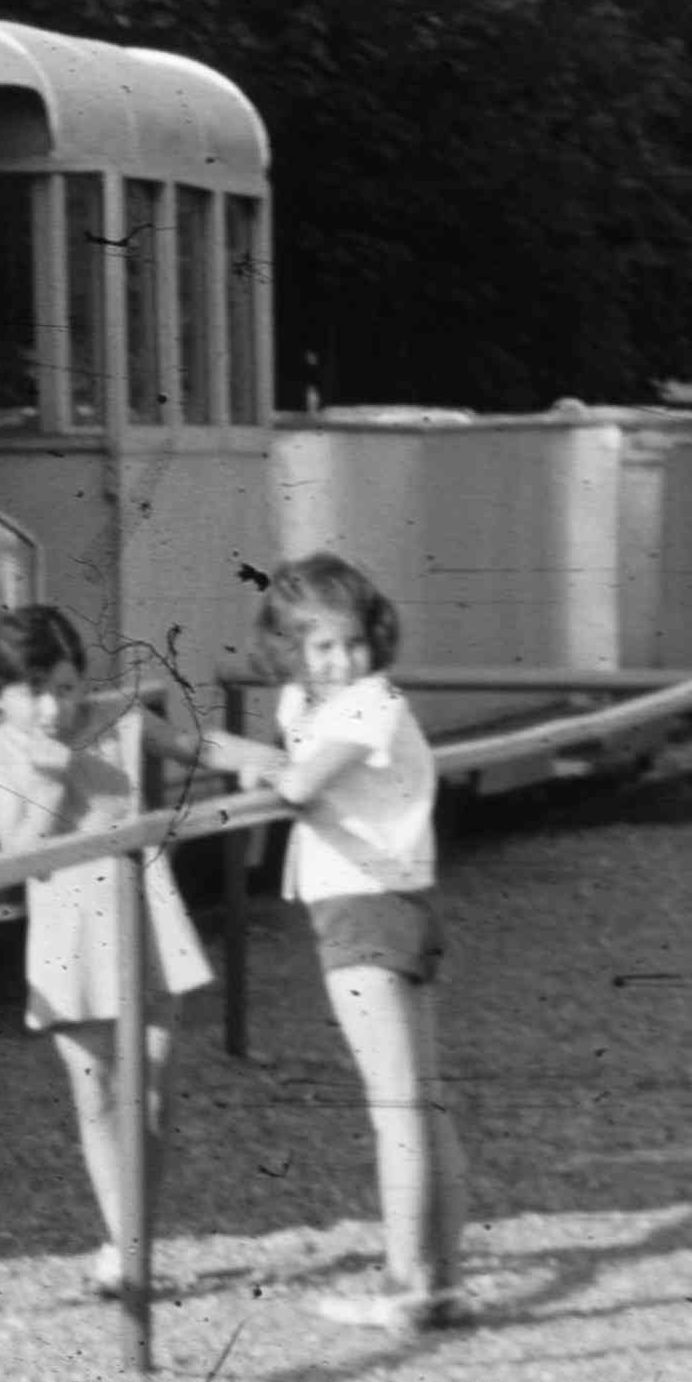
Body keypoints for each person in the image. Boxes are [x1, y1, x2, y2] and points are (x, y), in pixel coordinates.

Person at [192, 551, 468, 1335]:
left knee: (397, 1105)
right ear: (291, 650)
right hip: (386, 899)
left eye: (350, 643)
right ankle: (440, 1279)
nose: (340, 660)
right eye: (321, 647)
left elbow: (298, 784)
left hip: (365, 908)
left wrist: (243, 757)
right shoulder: (312, 704)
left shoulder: (367, 703)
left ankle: (403, 1284)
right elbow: (294, 763)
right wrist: (263, 758)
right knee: (419, 1098)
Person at [0, 603, 212, 1295]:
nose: (55, 707)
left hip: (143, 913)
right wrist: (50, 773)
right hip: (68, 932)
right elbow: (20, 851)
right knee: (96, 1090)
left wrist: (269, 761)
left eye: (67, 688)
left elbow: (191, 747)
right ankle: (126, 1250)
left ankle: (132, 1241)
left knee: (152, 1088)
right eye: (35, 691)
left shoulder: (119, 718)